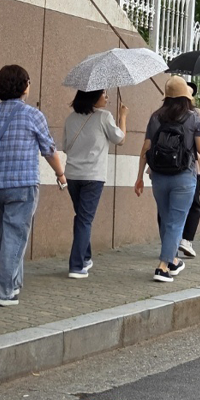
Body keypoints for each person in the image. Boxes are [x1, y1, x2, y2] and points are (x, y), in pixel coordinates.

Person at [0, 64, 66, 306]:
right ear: (24, 86)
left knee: (3, 236)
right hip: (22, 184)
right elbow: (49, 150)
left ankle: (13, 283)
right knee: (15, 236)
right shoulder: (33, 115)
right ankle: (4, 292)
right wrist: (61, 174)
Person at [134, 76, 200, 283]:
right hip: (183, 176)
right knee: (176, 222)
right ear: (186, 97)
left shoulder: (155, 117)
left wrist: (139, 177)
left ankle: (173, 260)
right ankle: (163, 266)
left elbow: (145, 149)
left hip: (158, 176)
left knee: (167, 220)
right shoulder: (193, 118)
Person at [61, 89, 127, 278]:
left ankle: (86, 257)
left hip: (72, 175)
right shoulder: (104, 117)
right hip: (93, 176)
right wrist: (123, 117)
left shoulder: (70, 118)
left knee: (81, 217)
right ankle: (76, 265)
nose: (107, 97)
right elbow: (120, 139)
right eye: (104, 94)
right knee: (84, 219)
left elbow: (65, 146)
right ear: (93, 96)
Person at [178, 81, 200, 259]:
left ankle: (169, 239)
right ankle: (186, 240)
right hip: (190, 166)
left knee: (167, 207)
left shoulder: (160, 114)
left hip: (162, 167)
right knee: (194, 204)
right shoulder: (197, 114)